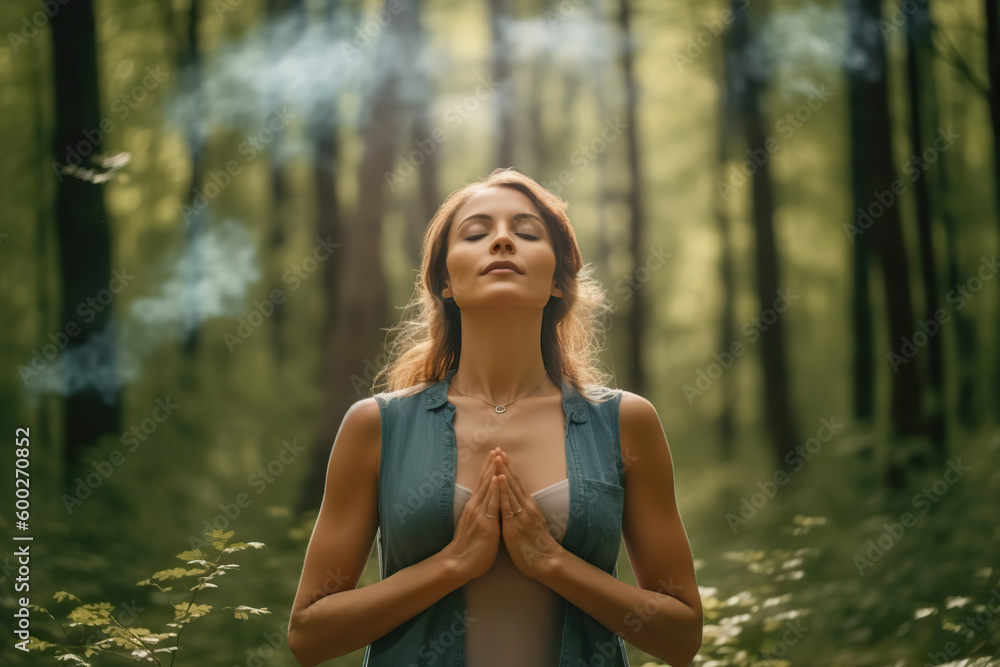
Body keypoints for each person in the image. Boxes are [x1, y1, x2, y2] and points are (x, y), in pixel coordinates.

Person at [288, 168, 703, 667]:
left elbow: (681, 637)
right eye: (477, 232)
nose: (503, 241)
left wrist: (552, 564)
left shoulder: (624, 422)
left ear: (556, 281)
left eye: (526, 232)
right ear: (444, 280)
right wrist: (452, 565)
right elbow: (308, 635)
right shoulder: (377, 426)